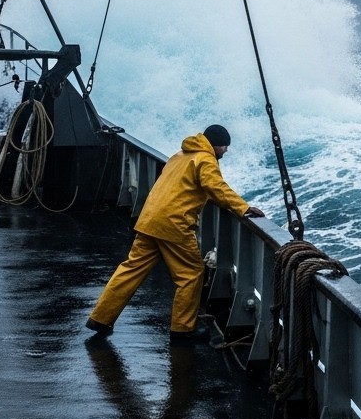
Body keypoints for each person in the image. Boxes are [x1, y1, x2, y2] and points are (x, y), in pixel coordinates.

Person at [86, 125, 264, 339]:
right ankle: (182, 329)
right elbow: (216, 187)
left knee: (130, 270)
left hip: (150, 220)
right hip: (174, 224)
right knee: (190, 274)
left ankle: (100, 317)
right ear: (216, 144)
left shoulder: (179, 156)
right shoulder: (205, 160)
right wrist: (243, 208)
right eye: (225, 146)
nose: (225, 151)